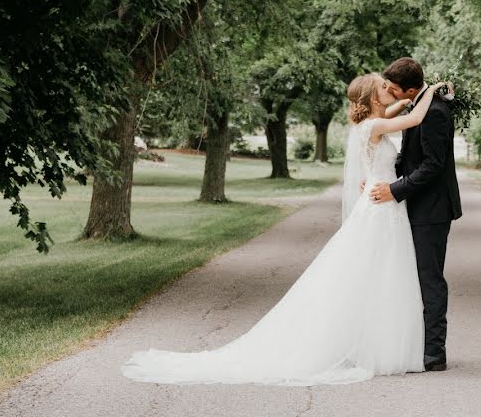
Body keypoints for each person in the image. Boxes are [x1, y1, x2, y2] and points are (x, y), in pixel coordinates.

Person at [121, 74, 450, 386]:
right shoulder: (376, 124)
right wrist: (430, 90)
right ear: (372, 96)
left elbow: (397, 110)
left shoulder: (369, 122)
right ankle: (379, 347)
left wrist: (409, 100)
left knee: (379, 276)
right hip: (381, 207)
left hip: (379, 202)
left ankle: (379, 345)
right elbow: (414, 118)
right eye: (383, 87)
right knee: (381, 275)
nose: (390, 91)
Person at [370, 57, 462, 372]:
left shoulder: (434, 111)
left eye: (394, 89)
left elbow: (433, 166)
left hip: (433, 209)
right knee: (416, 277)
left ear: (409, 88)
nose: (390, 93)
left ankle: (435, 354)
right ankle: (417, 347)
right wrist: (377, 176)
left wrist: (395, 190)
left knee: (429, 279)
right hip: (417, 205)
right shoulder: (418, 104)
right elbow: (410, 159)